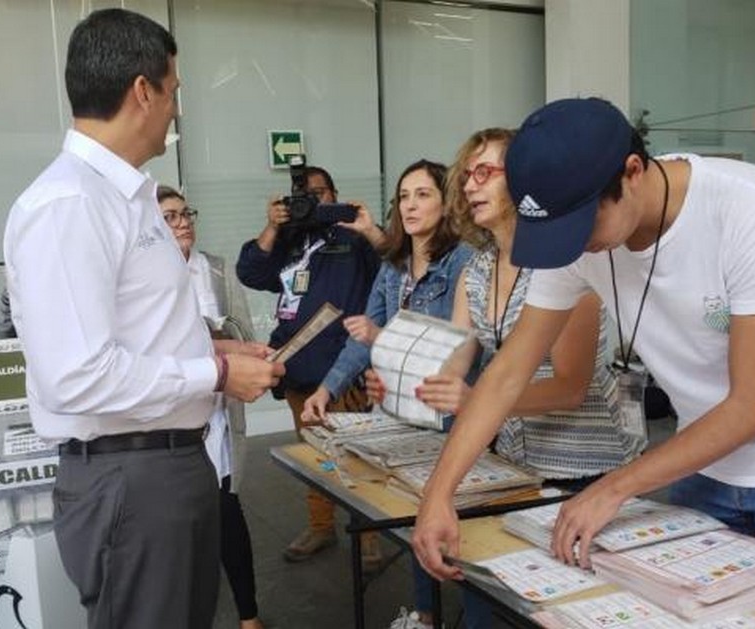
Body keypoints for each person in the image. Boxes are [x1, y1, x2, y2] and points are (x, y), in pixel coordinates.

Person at [411, 98, 755, 592]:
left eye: (582, 227)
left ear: (632, 172)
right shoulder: (574, 233)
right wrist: (439, 494)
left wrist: (612, 487)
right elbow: (509, 370)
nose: (574, 247)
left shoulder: (753, 209)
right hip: (702, 461)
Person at [2, 10, 282, 629]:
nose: (177, 110)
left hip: (164, 467)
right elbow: (76, 376)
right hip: (130, 479)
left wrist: (221, 354)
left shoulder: (125, 199)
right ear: (142, 90)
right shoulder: (70, 204)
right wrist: (210, 374)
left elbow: (145, 333)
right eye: (174, 91)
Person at [369, 132, 644, 629]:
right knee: (484, 604)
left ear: (523, 183)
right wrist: (406, 384)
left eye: (485, 173)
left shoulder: (567, 265)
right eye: (466, 175)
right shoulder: (476, 270)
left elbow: (569, 387)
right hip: (515, 469)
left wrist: (477, 398)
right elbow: (452, 357)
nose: (470, 186)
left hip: (580, 473)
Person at [297, 160, 476, 628]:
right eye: (403, 196)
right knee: (416, 517)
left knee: (457, 526)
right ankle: (425, 615)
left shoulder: (464, 261)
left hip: (449, 413)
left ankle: (457, 614)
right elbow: (364, 335)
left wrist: (383, 340)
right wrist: (326, 389)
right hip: (399, 409)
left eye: (423, 194)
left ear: (446, 201)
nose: (411, 205)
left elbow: (456, 346)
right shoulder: (394, 264)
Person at [237, 164, 384, 567]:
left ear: (335, 194)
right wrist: (272, 227)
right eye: (304, 194)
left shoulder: (354, 236)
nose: (314, 200)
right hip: (297, 366)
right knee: (314, 453)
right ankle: (321, 525)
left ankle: (368, 533)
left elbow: (396, 263)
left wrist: (366, 227)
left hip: (342, 367)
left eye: (321, 193)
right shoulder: (291, 239)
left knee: (353, 455)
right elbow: (250, 271)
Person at [158, 185, 265, 629]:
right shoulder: (148, 279)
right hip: (172, 418)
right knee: (178, 528)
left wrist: (222, 334)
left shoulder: (217, 270)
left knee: (227, 512)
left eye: (186, 213)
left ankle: (249, 616)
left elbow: (242, 329)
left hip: (218, 411)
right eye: (169, 217)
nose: (183, 222)